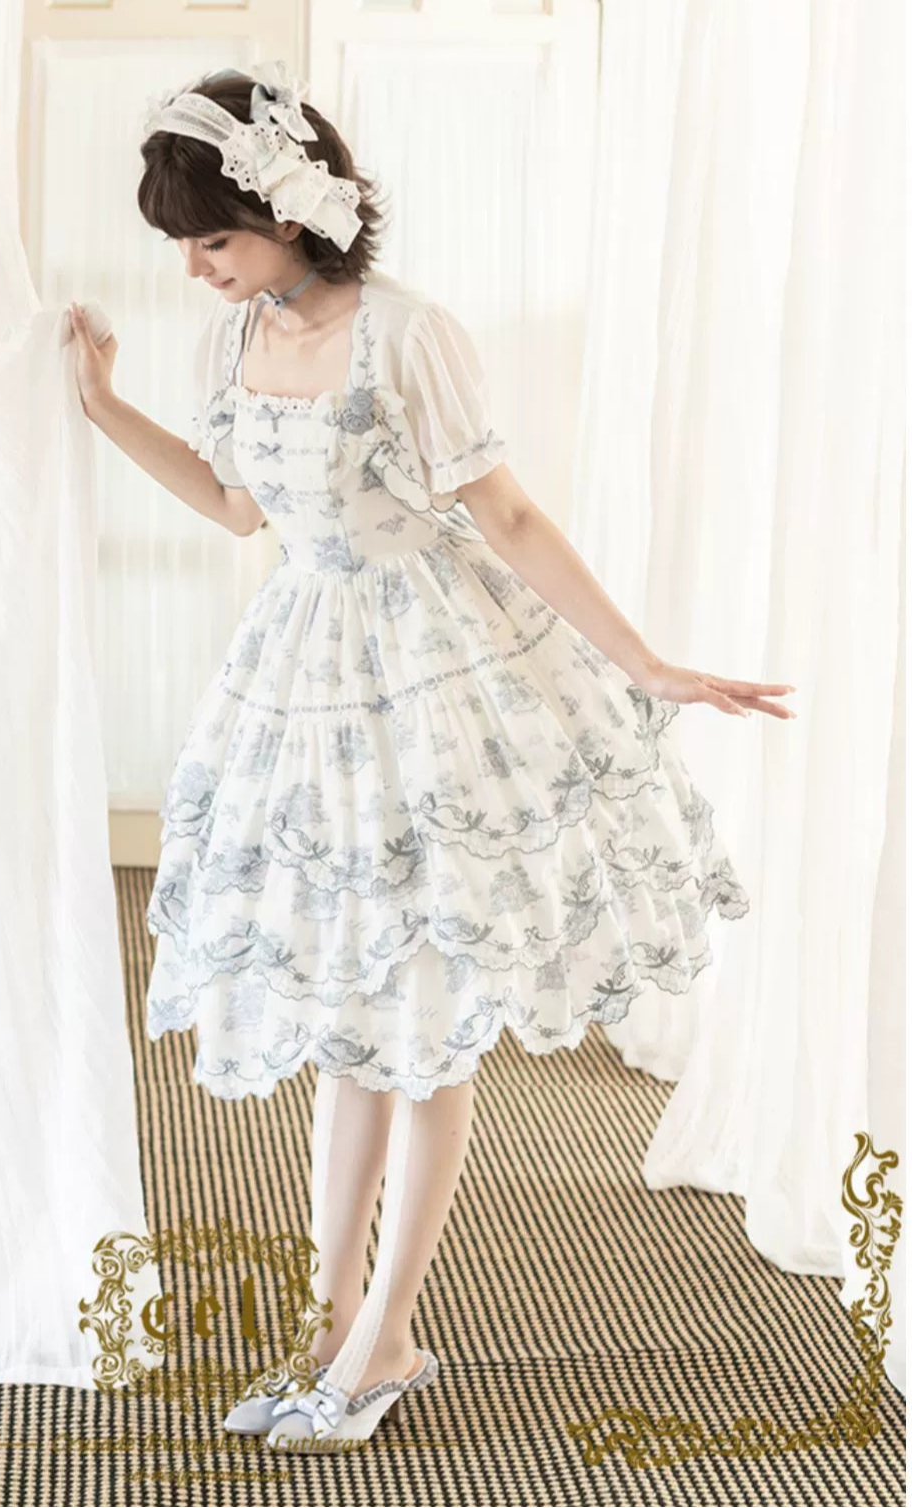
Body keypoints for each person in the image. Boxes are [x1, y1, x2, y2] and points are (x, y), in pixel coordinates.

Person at [67, 62, 796, 1452]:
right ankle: (334, 1323)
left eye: (211, 239)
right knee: (353, 1024)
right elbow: (236, 507)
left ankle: (386, 1333)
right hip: (305, 679)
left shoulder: (407, 334)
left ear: (289, 210)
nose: (194, 269)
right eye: (184, 245)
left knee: (418, 1026)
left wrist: (644, 663)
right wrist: (103, 407)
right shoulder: (233, 339)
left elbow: (506, 517)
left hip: (436, 676)